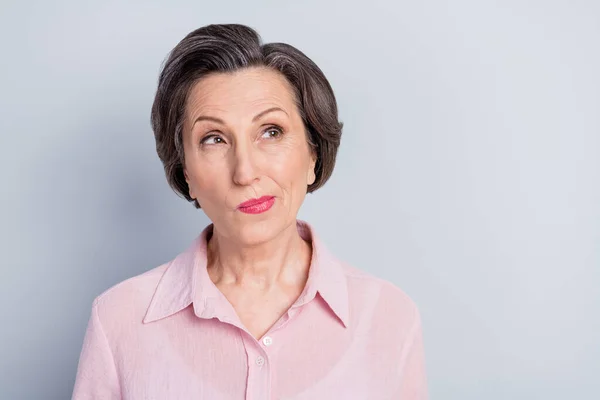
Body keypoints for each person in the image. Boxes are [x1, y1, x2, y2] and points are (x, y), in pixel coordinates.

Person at [72, 23, 428, 399]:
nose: (245, 172)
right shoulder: (119, 320)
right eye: (214, 139)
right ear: (186, 172)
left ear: (313, 154)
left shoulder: (389, 317)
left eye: (271, 132)